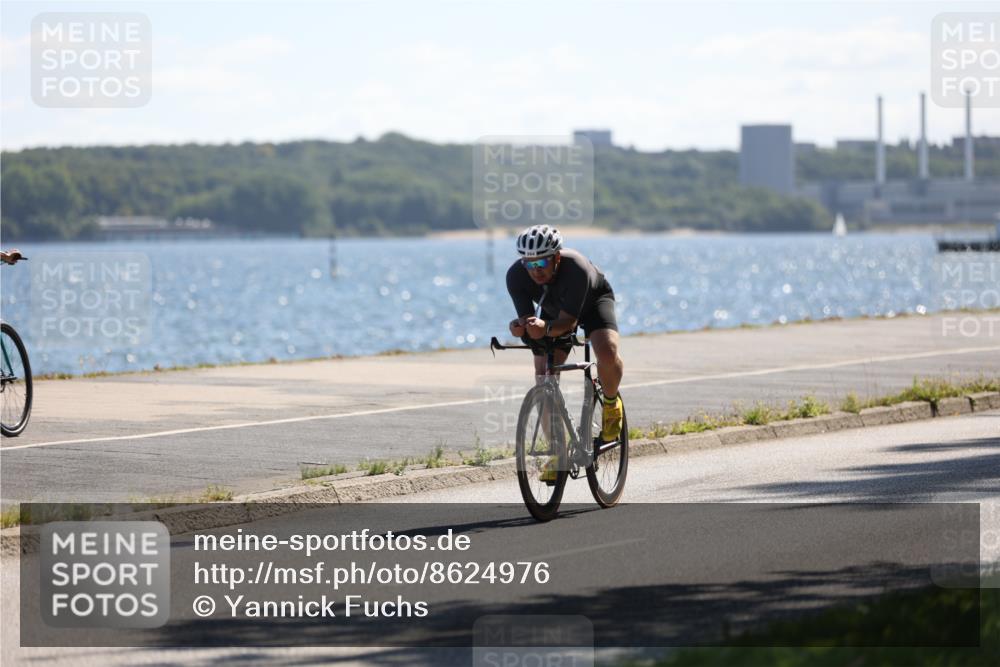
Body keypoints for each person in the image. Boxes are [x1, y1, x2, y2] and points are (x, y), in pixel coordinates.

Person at [506, 225, 624, 480]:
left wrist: (545, 328)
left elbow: (568, 324)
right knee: (543, 375)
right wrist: (521, 328)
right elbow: (528, 320)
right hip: (555, 311)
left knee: (607, 351)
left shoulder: (576, 268)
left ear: (557, 257)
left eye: (542, 262)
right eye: (529, 263)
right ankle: (558, 453)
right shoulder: (516, 276)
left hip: (593, 303)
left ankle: (611, 404)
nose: (535, 270)